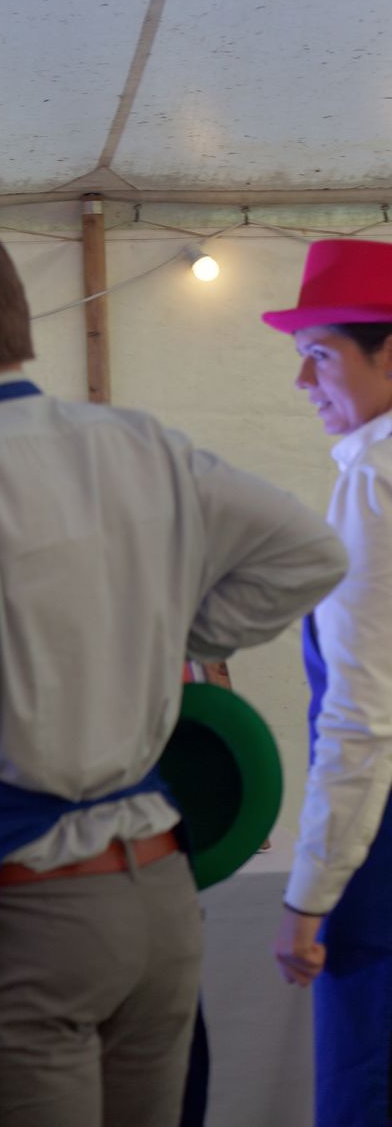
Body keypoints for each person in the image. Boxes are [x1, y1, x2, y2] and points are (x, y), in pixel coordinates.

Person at [0, 217, 347, 1127]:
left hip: (40, 900)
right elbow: (308, 553)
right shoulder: (142, 443)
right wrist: (175, 635)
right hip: (158, 889)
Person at [262, 238, 392, 1124]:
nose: (304, 385)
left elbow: (361, 719)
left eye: (321, 356)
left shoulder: (376, 479)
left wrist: (309, 898)